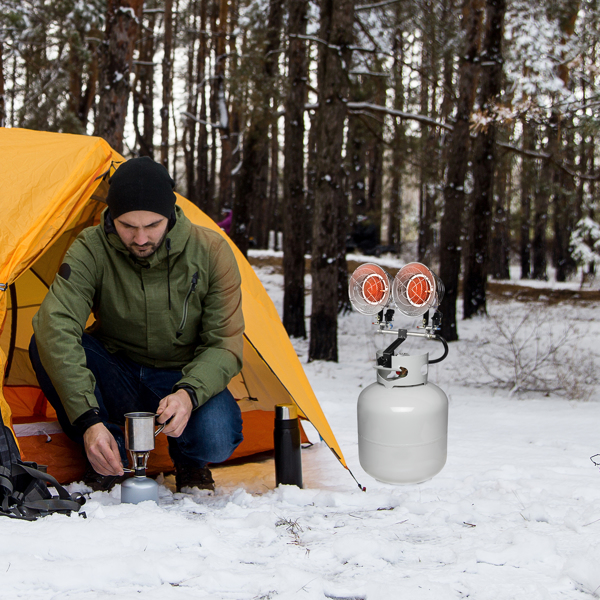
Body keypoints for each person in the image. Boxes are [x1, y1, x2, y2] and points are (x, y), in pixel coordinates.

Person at [29, 157, 244, 492]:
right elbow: (56, 325)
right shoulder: (92, 247)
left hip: (181, 378)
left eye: (152, 225)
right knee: (44, 342)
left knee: (215, 439)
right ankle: (107, 450)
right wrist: (88, 421)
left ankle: (190, 461)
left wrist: (188, 394)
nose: (141, 238)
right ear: (112, 217)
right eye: (128, 226)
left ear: (171, 213)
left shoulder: (212, 251)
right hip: (118, 372)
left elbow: (224, 343)